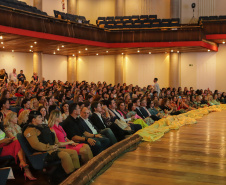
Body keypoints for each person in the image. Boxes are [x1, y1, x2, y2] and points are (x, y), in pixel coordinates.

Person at [23, 111, 80, 175]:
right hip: (43, 153)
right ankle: (72, 177)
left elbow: (55, 142)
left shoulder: (43, 127)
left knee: (73, 152)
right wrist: (51, 147)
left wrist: (54, 139)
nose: (42, 119)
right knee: (65, 155)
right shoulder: (30, 130)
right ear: (33, 119)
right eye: (39, 117)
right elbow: (36, 145)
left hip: (52, 149)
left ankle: (78, 174)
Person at [3, 111, 36, 180]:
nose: (17, 118)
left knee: (23, 143)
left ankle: (24, 163)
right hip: (12, 147)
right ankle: (26, 169)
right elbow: (14, 139)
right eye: (15, 117)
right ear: (11, 119)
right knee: (18, 142)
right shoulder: (7, 129)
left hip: (20, 145)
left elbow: (23, 136)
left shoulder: (17, 126)